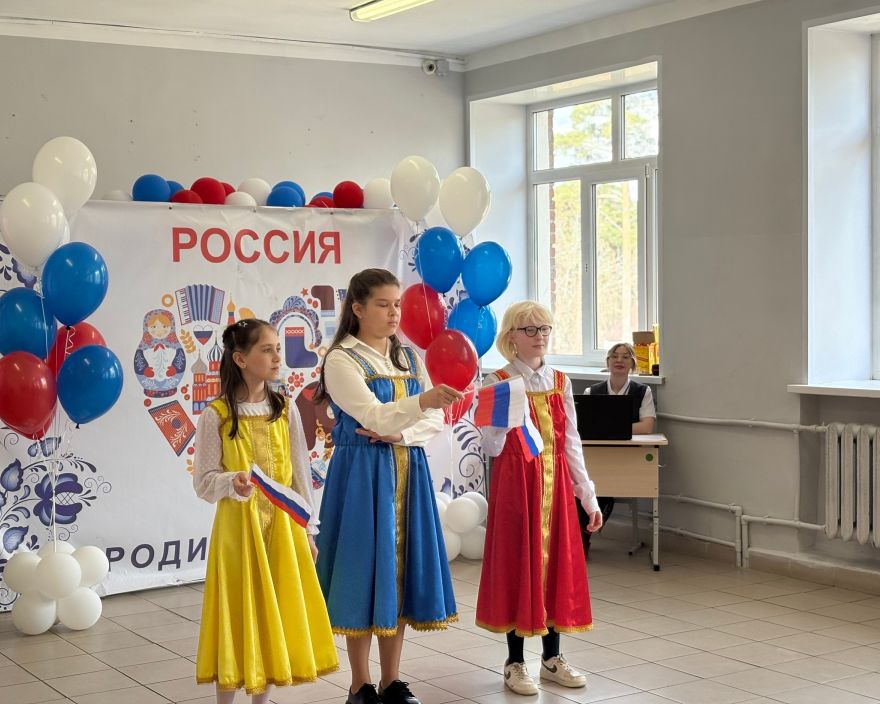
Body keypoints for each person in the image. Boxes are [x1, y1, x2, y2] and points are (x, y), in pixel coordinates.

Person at [314, 268, 462, 704]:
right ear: (358, 309)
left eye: (397, 304)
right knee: (364, 570)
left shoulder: (408, 357)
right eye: (383, 304)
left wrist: (403, 434)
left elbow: (434, 419)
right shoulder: (341, 359)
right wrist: (419, 404)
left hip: (407, 467)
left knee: (397, 573)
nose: (394, 312)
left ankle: (391, 680)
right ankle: (360, 683)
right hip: (362, 475)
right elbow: (372, 416)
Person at [193, 319, 338, 704]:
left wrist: (309, 530)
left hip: (282, 528)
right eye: (267, 350)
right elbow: (204, 481)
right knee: (237, 612)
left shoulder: (284, 409)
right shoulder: (217, 415)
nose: (277, 357)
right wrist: (233, 481)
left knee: (276, 611)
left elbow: (300, 475)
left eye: (278, 349)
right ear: (241, 359)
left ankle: (261, 700)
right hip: (239, 532)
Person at [476, 301, 601, 696]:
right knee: (519, 564)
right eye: (529, 329)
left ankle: (552, 658)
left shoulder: (560, 381)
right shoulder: (497, 380)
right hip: (517, 484)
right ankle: (514, 662)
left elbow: (571, 441)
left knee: (556, 566)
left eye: (544, 328)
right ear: (511, 336)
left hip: (556, 485)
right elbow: (491, 446)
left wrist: (588, 495)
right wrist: (505, 418)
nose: (539, 336)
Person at [578, 342, 657, 552]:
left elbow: (647, 426)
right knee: (583, 488)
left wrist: (608, 428)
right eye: (614, 356)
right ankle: (580, 539)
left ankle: (586, 534)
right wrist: (619, 428)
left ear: (633, 363)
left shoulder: (643, 391)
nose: (619, 360)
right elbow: (585, 426)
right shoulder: (592, 391)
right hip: (597, 455)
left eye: (625, 356)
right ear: (608, 362)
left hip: (627, 456)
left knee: (605, 489)